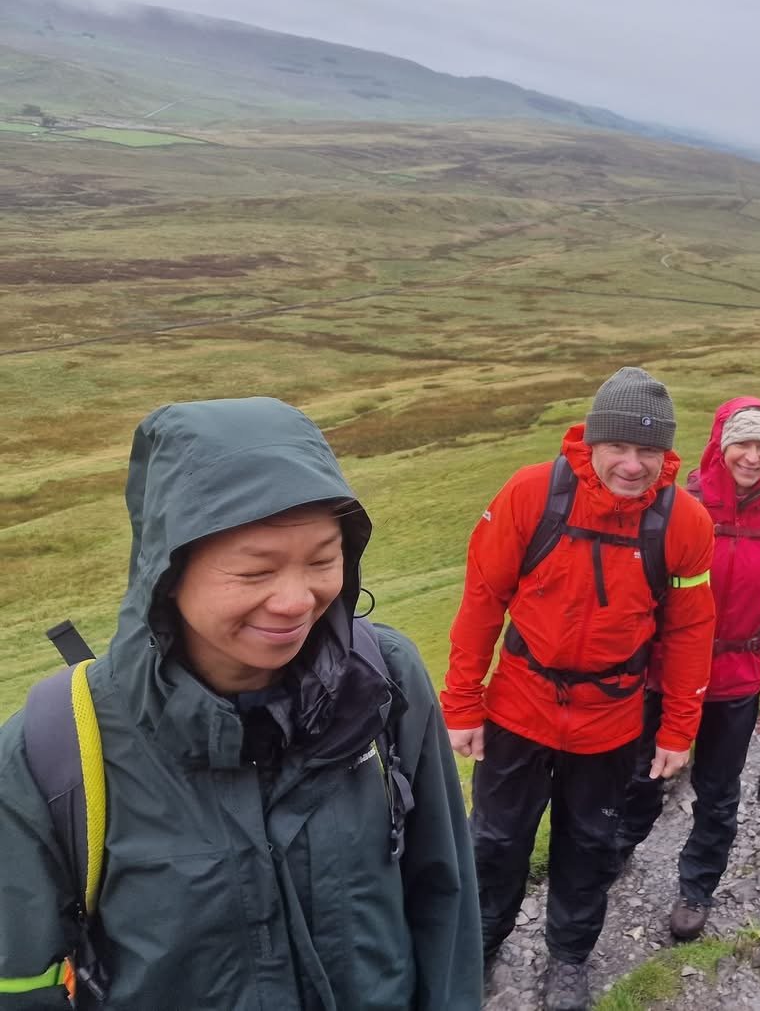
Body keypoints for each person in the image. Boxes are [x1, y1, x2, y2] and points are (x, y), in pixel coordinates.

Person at [0, 397, 483, 1010]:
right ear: (166, 573)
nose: (296, 601)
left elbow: (444, 895)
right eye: (255, 572)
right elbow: (21, 983)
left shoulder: (384, 677)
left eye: (323, 560)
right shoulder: (53, 750)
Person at [441, 367, 716, 1011]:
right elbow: (482, 599)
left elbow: (689, 632)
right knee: (495, 841)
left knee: (591, 846)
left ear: (667, 453)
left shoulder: (685, 522)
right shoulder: (531, 494)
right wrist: (462, 702)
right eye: (618, 446)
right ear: (591, 442)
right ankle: (480, 945)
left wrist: (679, 728)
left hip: (611, 722)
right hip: (518, 707)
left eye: (648, 450)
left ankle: (568, 959)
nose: (633, 465)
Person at [616, 397, 760, 941]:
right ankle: (617, 850)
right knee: (641, 776)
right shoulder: (678, 505)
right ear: (721, 445)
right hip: (665, 675)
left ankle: (697, 886)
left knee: (719, 793)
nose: (752, 456)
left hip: (736, 681)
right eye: (742, 443)